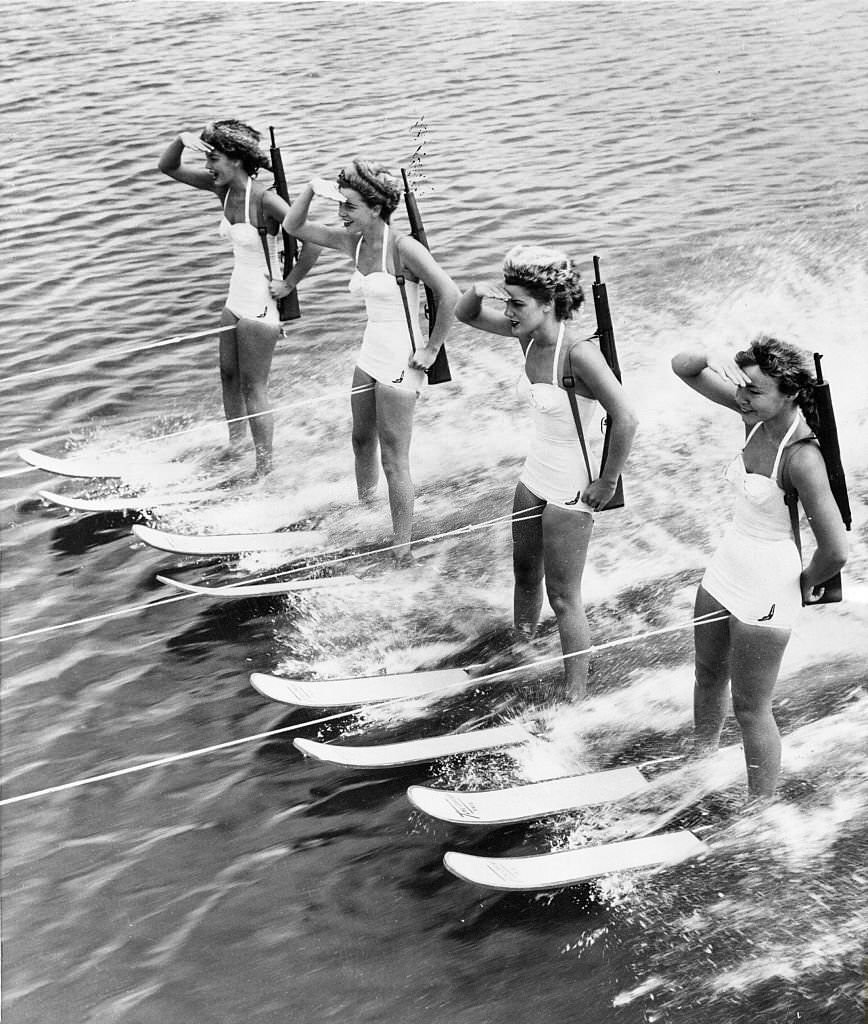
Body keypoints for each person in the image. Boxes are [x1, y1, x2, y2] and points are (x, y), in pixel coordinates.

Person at [455, 246, 638, 702]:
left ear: (547, 304)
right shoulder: (526, 335)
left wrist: (607, 481)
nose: (508, 312)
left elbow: (626, 418)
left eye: (517, 304)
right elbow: (466, 314)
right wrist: (479, 289)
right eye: (507, 302)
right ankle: (521, 651)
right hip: (535, 474)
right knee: (524, 574)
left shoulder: (579, 354)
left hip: (573, 485)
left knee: (562, 597)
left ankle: (576, 692)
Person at [672, 336, 848, 796]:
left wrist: (803, 585)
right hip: (729, 563)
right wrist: (720, 357)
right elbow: (684, 366)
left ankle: (759, 811)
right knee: (708, 674)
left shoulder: (803, 457)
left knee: (750, 706)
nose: (742, 397)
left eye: (754, 390)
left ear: (789, 395)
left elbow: (836, 550)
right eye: (742, 386)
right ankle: (700, 764)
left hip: (772, 579)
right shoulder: (753, 416)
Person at [281, 159, 459, 561]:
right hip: (371, 350)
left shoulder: (404, 248)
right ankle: (366, 513)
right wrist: (311, 188)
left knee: (394, 459)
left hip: (402, 358)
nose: (341, 213)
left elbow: (449, 293)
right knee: (361, 440)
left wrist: (431, 348)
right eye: (339, 204)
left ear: (376, 208)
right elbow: (293, 227)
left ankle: (402, 549)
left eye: (350, 206)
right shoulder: (354, 242)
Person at [158, 120, 321, 476]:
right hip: (236, 296)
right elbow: (168, 167)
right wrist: (181, 140)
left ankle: (265, 470)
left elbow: (313, 242)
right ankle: (237, 446)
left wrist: (289, 284)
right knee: (228, 375)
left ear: (236, 160)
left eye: (213, 159)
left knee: (253, 386)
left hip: (262, 299)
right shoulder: (222, 189)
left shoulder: (265, 200)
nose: (208, 167)